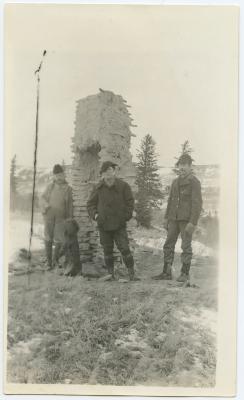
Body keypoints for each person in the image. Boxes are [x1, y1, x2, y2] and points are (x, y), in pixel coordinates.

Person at [153, 153, 202, 282]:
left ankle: (184, 273)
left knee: (186, 246)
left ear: (190, 166)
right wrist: (166, 218)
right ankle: (166, 272)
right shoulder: (175, 182)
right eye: (180, 164)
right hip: (173, 218)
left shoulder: (194, 182)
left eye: (185, 165)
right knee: (168, 244)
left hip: (186, 220)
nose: (182, 167)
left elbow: (197, 204)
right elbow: (170, 201)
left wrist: (193, 222)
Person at [87, 161, 139, 281]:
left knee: (125, 248)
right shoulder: (98, 188)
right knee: (107, 249)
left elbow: (130, 203)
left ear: (114, 171)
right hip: (104, 224)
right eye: (105, 171)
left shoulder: (123, 186)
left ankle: (132, 274)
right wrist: (95, 216)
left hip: (119, 224)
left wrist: (125, 216)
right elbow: (90, 204)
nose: (108, 173)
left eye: (110, 170)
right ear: (102, 174)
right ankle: (111, 275)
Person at [40, 164, 73, 270]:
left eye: (61, 175)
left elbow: (70, 206)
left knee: (59, 240)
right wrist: (46, 206)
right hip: (49, 216)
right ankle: (49, 263)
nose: (59, 177)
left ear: (64, 175)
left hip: (61, 218)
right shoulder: (50, 187)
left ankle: (55, 260)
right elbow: (42, 198)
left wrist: (69, 218)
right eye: (57, 175)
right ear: (54, 176)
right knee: (48, 238)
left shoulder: (68, 189)